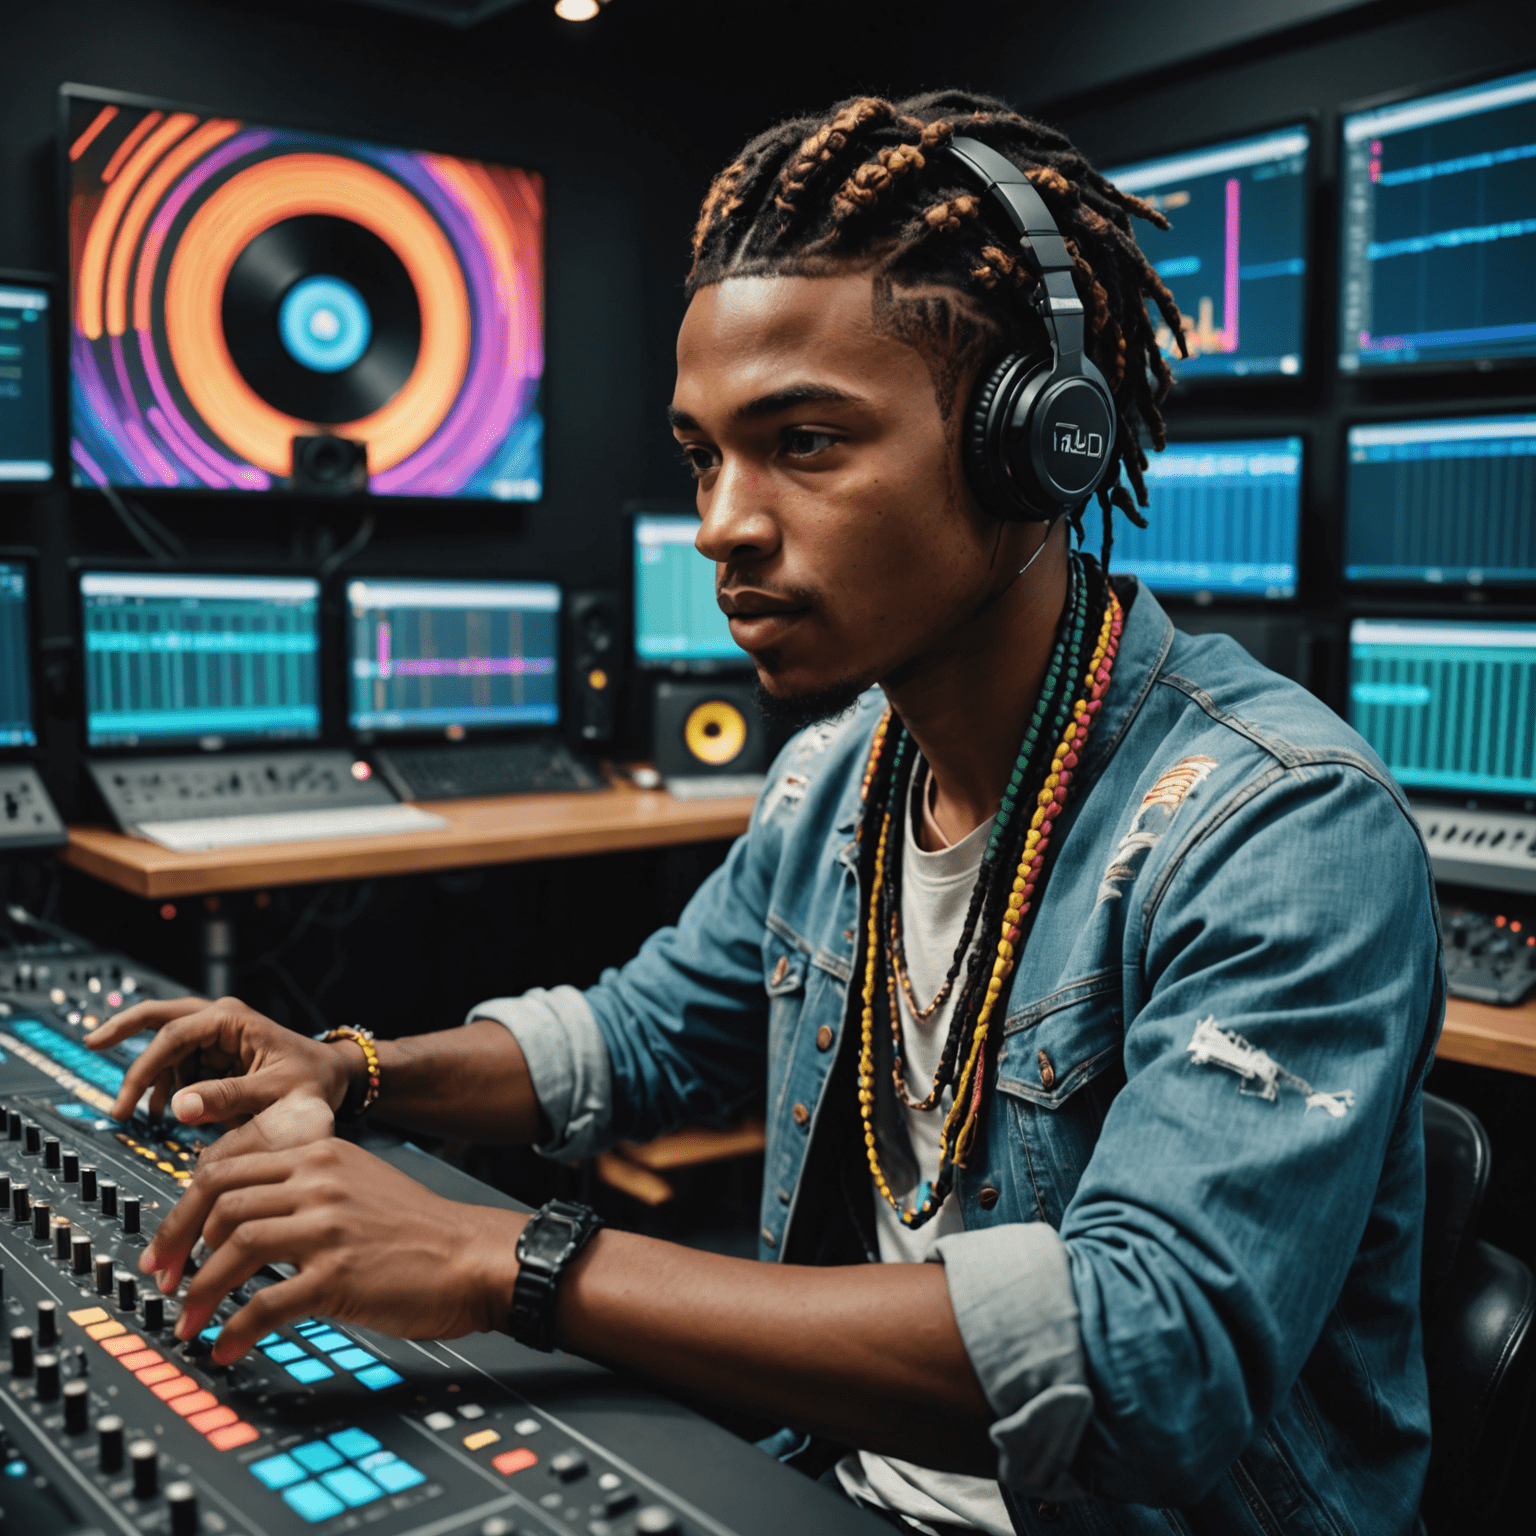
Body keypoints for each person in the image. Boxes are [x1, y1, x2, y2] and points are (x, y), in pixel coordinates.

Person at [88, 91, 1442, 1536]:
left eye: (803, 442)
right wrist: (352, 1068)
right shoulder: (839, 778)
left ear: (1031, 453)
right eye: (702, 454)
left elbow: (1142, 1356)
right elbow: (641, 1036)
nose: (723, 521)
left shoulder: (1282, 829)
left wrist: (507, 1260)